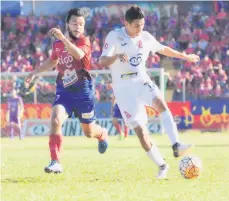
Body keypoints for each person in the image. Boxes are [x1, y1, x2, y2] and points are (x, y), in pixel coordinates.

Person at [99, 5, 200, 179]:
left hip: (141, 79)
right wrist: (115, 57)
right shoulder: (115, 36)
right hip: (123, 87)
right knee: (141, 132)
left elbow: (163, 49)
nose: (140, 28)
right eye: (136, 25)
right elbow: (102, 60)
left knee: (161, 104)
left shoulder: (145, 37)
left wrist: (185, 57)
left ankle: (176, 144)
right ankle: (162, 165)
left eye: (142, 24)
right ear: (127, 24)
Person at [25, 8, 109, 174]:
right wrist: (34, 72)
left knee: (88, 132)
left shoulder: (84, 41)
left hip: (83, 92)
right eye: (74, 23)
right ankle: (55, 161)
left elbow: (78, 55)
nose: (78, 27)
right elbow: (52, 61)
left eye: (81, 24)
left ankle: (102, 134)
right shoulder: (57, 44)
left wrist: (63, 38)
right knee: (55, 120)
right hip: (64, 90)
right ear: (67, 24)